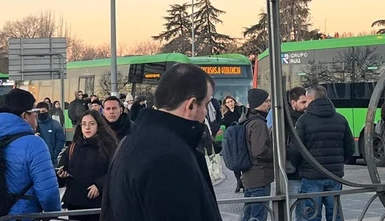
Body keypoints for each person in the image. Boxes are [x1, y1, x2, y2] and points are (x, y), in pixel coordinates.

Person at [100, 63, 222, 221]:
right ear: (191, 105)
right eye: (205, 104)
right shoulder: (170, 158)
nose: (206, 112)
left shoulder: (132, 140)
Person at [290, 85, 354, 221]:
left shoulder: (304, 120)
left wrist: (300, 165)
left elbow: (296, 149)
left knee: (311, 214)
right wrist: (337, 162)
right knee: (335, 213)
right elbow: (350, 148)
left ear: (311, 98)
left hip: (311, 175)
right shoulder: (340, 118)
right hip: (334, 175)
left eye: (306, 100)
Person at [0, 88, 61, 217]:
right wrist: (53, 213)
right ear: (24, 116)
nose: (37, 116)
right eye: (35, 112)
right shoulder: (34, 144)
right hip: (21, 214)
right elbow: (48, 194)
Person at [57, 110, 118, 220]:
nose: (87, 127)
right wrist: (61, 174)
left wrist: (100, 185)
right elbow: (62, 168)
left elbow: (116, 171)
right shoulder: (73, 147)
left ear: (99, 125)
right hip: (75, 202)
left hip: (98, 203)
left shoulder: (109, 146)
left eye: (91, 123)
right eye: (84, 124)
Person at [240, 88, 274, 221]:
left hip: (249, 175)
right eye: (266, 101)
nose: (269, 104)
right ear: (259, 102)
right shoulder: (258, 123)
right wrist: (276, 153)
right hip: (260, 175)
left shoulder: (246, 119)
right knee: (258, 216)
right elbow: (259, 151)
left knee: (248, 215)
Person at [285, 86, 308, 220]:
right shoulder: (287, 120)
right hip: (294, 172)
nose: (306, 106)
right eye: (302, 102)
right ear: (293, 103)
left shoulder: (305, 118)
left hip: (305, 172)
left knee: (304, 212)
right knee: (294, 211)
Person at [220, 95, 246, 193]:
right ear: (225, 104)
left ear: (234, 101)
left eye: (231, 101)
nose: (230, 103)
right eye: (228, 102)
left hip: (241, 138)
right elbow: (223, 127)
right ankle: (238, 181)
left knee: (242, 159)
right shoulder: (225, 115)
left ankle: (243, 181)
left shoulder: (240, 111)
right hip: (232, 140)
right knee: (235, 161)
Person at [34, 102, 64, 166]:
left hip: (51, 161)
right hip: (36, 160)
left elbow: (60, 140)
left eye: (43, 111)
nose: (41, 113)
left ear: (48, 111)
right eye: (39, 112)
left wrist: (54, 154)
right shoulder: (34, 125)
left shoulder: (55, 124)